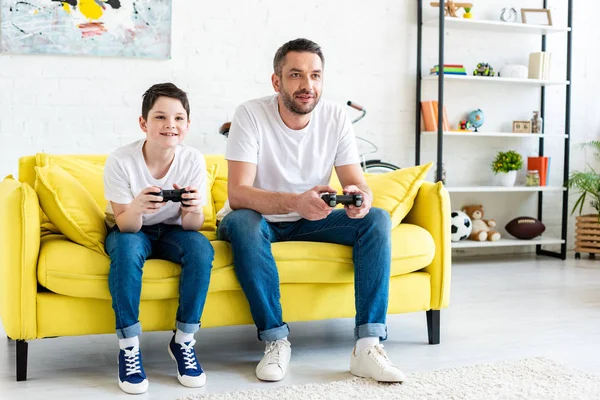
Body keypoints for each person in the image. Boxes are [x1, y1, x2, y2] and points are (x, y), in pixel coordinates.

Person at [217, 38, 405, 383]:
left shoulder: (335, 116)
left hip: (310, 219)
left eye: (315, 76)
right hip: (257, 219)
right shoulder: (250, 114)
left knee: (377, 219)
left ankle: (367, 346)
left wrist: (358, 198)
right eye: (296, 75)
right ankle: (275, 341)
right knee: (243, 223)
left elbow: (358, 183)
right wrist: (295, 201)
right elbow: (239, 193)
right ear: (277, 82)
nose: (308, 86)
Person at [103, 82, 214, 394]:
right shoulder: (121, 161)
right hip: (131, 228)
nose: (170, 125)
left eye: (179, 118)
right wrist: (138, 206)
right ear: (143, 123)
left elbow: (192, 227)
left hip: (174, 230)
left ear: (188, 125)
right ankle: (128, 347)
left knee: (202, 249)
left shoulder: (192, 160)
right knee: (125, 250)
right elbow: (126, 226)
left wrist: (191, 207)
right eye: (161, 118)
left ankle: (184, 341)